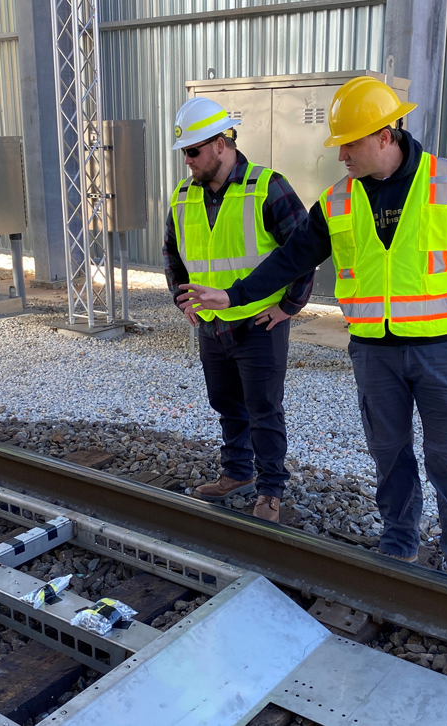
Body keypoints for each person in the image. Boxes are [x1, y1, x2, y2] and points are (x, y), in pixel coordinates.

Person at [175, 77, 447, 581]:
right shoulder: (339, 201)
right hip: (374, 351)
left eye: (350, 143)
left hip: (440, 349)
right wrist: (234, 296)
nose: (342, 157)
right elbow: (291, 257)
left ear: (384, 136)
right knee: (389, 451)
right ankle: (399, 541)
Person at [160, 96, 317, 523]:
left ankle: (270, 491)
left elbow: (304, 250)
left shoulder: (269, 187)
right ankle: (237, 473)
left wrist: (290, 305)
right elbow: (173, 254)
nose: (187, 161)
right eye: (184, 153)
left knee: (264, 409)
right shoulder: (182, 195)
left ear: (220, 144)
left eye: (192, 151)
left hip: (258, 324)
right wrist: (181, 298)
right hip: (210, 326)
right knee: (227, 402)